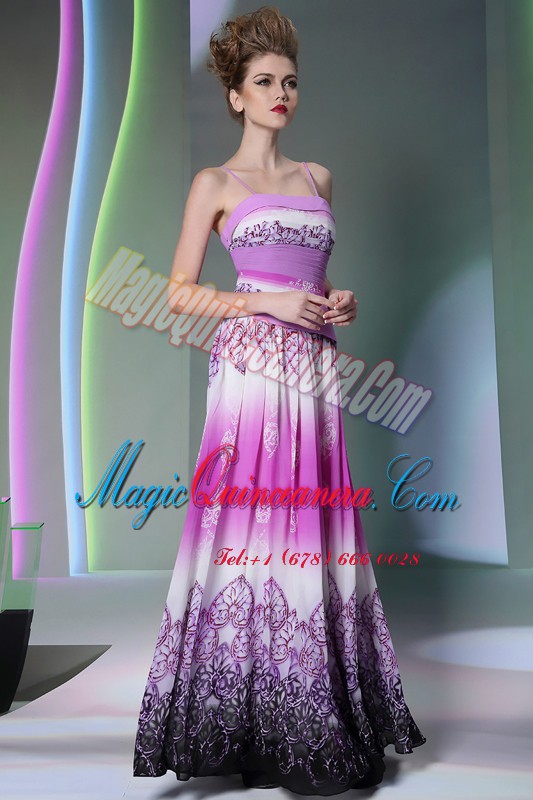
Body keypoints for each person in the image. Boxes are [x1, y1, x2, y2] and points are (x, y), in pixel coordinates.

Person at [132, 5, 426, 795]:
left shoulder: (317, 178)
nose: (280, 94)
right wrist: (265, 303)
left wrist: (338, 301)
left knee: (308, 525)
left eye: (289, 82)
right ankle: (241, 719)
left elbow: (312, 282)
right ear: (235, 95)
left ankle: (311, 711)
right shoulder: (214, 183)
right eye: (263, 82)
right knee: (249, 525)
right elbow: (179, 293)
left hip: (314, 373)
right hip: (252, 372)